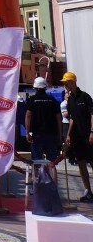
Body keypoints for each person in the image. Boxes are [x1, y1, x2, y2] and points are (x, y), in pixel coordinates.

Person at [62, 70, 93, 202]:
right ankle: (88, 191)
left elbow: (92, 114)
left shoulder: (85, 97)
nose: (65, 86)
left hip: (88, 135)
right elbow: (72, 119)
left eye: (67, 83)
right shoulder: (70, 100)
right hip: (77, 137)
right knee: (81, 163)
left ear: (72, 82)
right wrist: (68, 135)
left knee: (92, 161)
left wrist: (92, 132)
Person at [24, 77, 62, 163]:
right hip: (52, 134)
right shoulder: (53, 100)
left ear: (35, 87)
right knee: (51, 163)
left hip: (38, 134)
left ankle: (38, 176)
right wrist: (60, 135)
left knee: (37, 162)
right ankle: (52, 177)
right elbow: (59, 118)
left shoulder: (32, 100)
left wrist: (27, 132)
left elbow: (28, 116)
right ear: (45, 87)